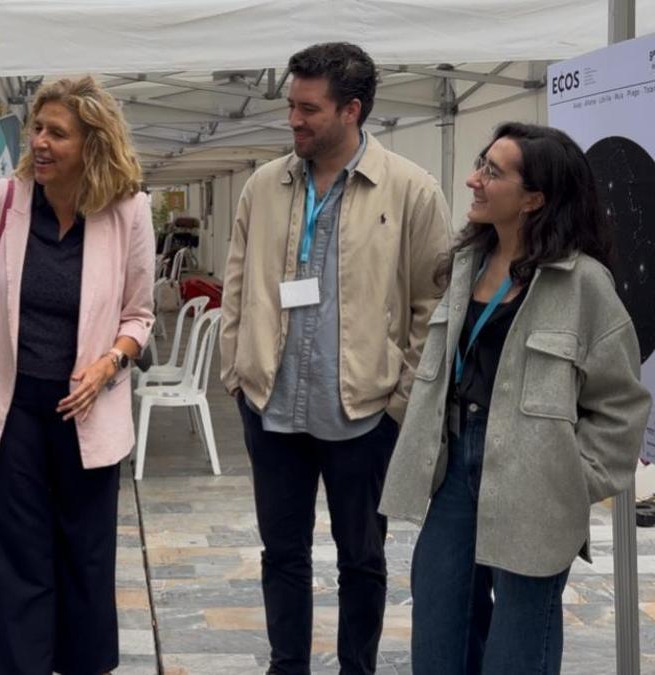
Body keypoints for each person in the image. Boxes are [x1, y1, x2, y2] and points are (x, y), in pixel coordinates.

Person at [380, 123, 652, 673]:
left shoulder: (583, 284)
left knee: (518, 647)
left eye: (491, 172)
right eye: (481, 163)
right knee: (437, 633)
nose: (472, 179)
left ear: (534, 199)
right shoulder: (465, 266)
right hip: (456, 470)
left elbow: (621, 404)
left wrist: (573, 478)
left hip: (538, 480)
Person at [218, 42, 451, 675]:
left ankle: (358, 668)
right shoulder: (264, 187)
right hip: (272, 408)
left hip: (364, 414)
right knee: (281, 554)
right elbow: (236, 287)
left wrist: (400, 401)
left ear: (352, 111)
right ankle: (286, 666)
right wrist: (236, 374)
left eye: (308, 109)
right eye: (291, 105)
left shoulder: (410, 190)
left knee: (363, 560)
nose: (293, 119)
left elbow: (435, 305)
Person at [0, 76, 155, 675]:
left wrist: (109, 364)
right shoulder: (0, 201)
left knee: (85, 559)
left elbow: (139, 315)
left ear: (93, 143)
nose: (42, 143)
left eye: (59, 133)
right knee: (15, 560)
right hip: (11, 413)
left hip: (89, 412)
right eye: (38, 129)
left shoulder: (128, 211)